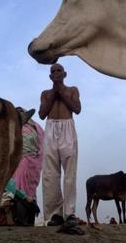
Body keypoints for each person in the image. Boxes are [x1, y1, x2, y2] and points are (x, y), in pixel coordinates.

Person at [39, 63, 81, 227]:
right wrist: (54, 92)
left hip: (67, 128)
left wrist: (60, 91)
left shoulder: (72, 90)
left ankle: (69, 213)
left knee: (70, 171)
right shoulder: (45, 93)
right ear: (50, 76)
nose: (56, 73)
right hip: (50, 128)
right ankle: (55, 214)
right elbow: (42, 114)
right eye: (53, 71)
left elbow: (77, 109)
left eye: (58, 71)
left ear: (65, 74)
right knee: (50, 173)